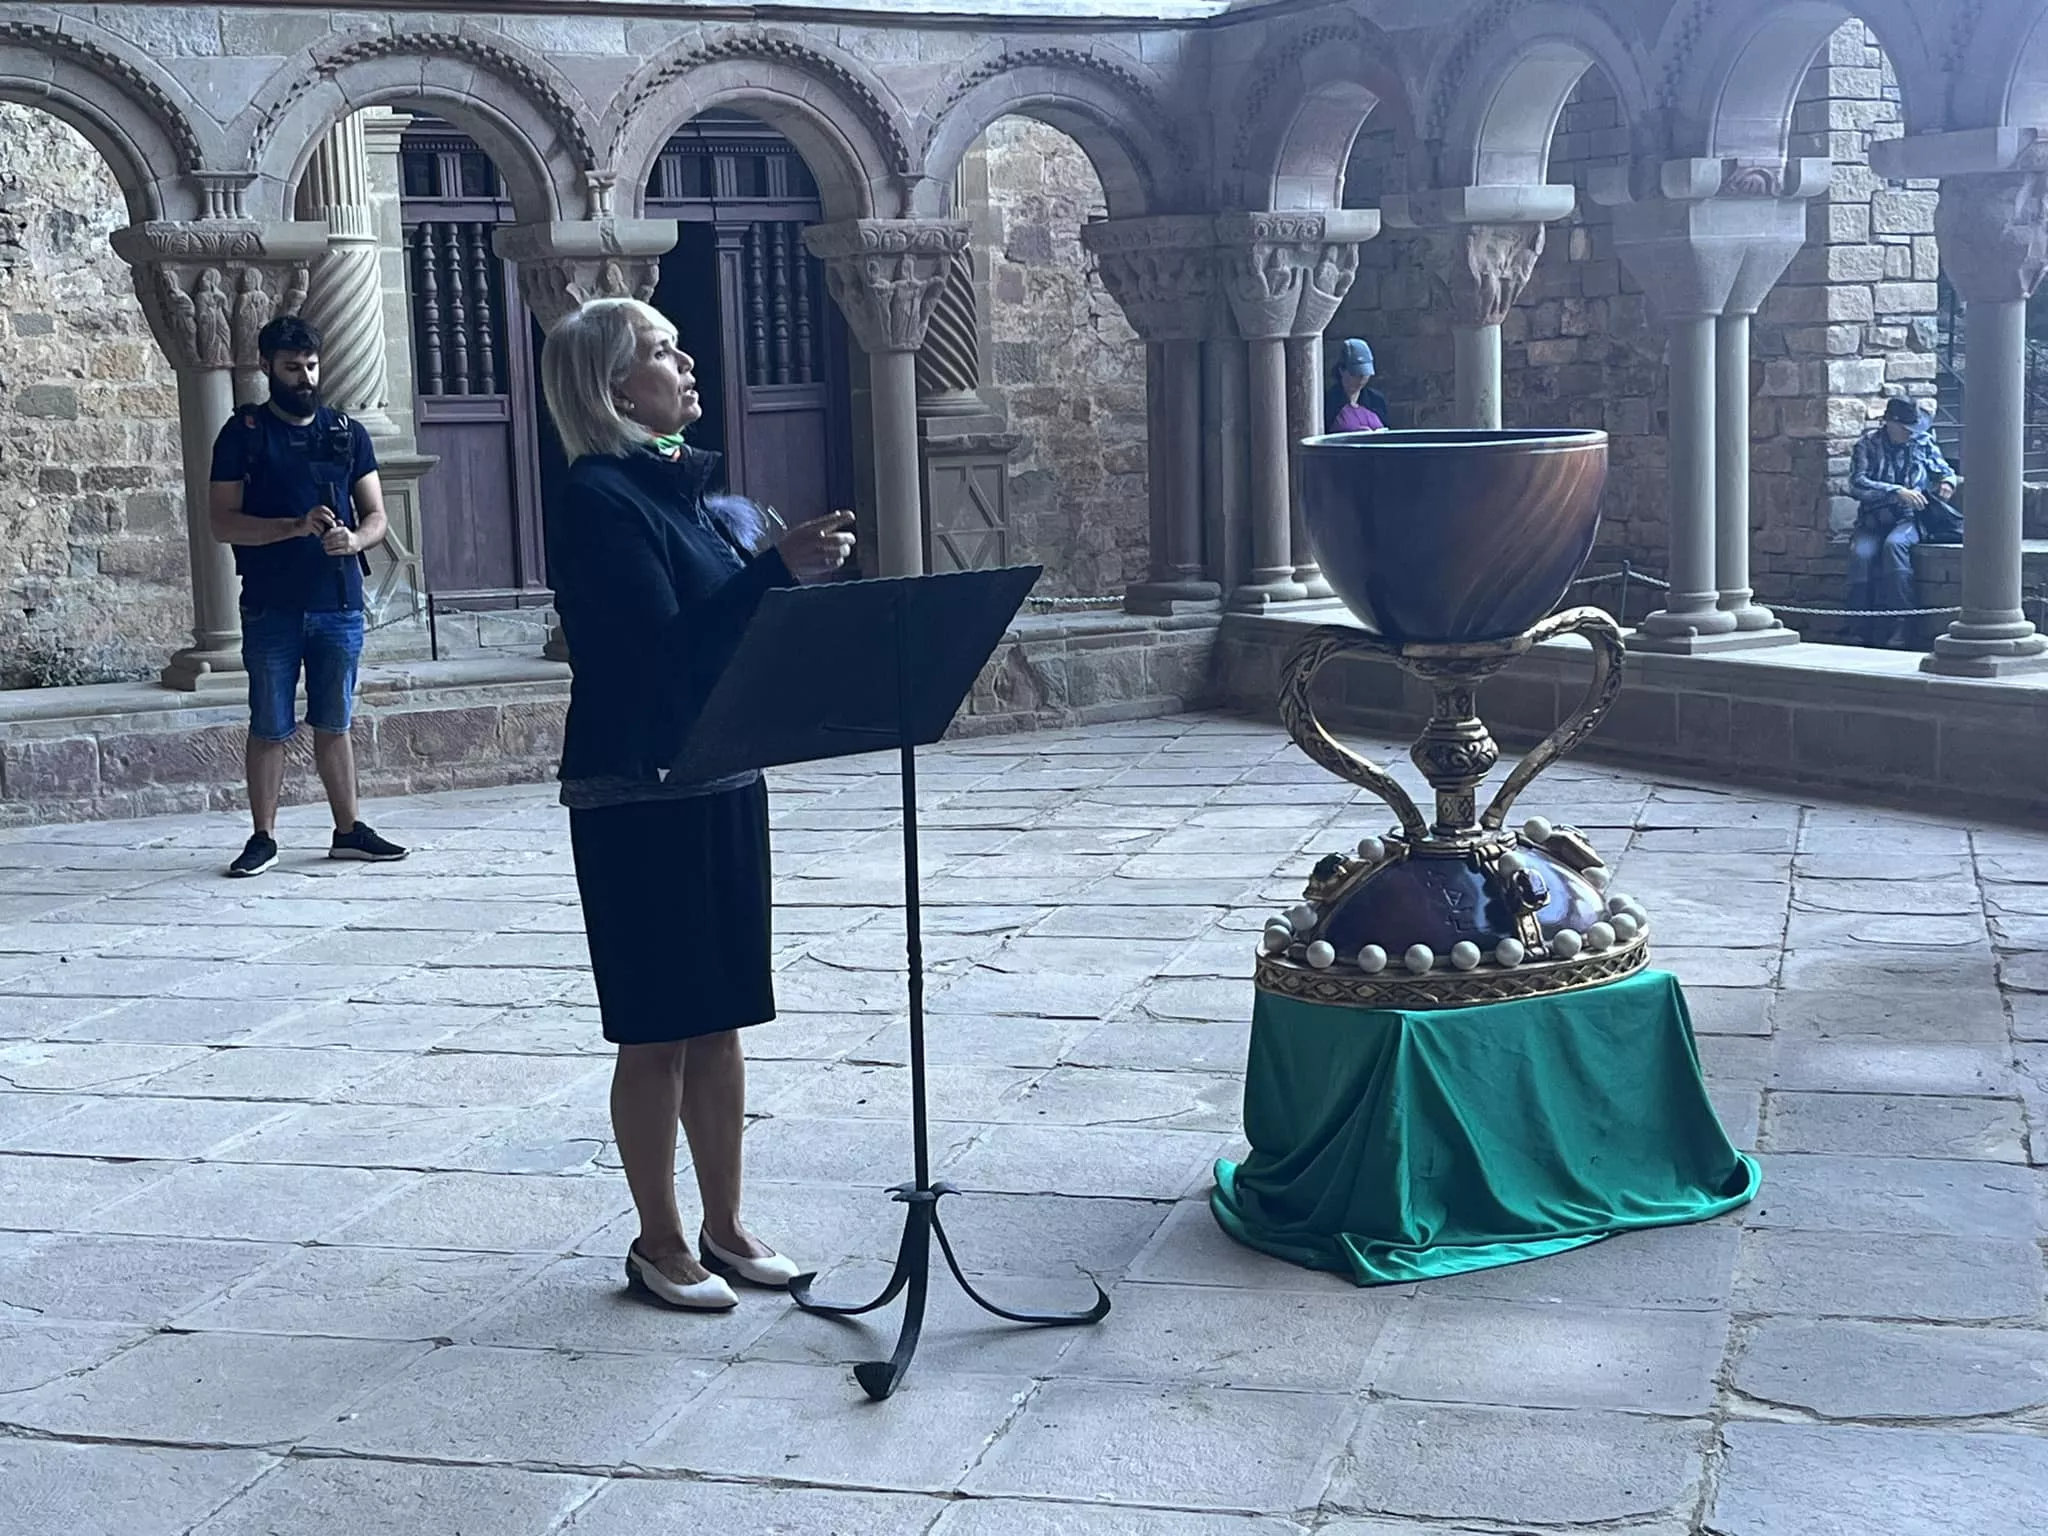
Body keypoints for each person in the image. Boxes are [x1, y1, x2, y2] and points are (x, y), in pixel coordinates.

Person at [540, 297, 856, 1312]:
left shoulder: (687, 494)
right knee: (658, 1028)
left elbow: (730, 631)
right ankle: (659, 1240)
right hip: (638, 790)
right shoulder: (597, 498)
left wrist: (787, 582)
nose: (685, 363)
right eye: (661, 351)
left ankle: (726, 1225)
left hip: (721, 771)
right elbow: (651, 651)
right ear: (613, 387)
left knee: (721, 1019)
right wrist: (771, 572)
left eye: (678, 346)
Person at [208, 315, 408, 877]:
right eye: (293, 367)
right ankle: (263, 837)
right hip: (271, 602)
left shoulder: (346, 432)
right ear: (267, 366)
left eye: (312, 366)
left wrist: (355, 540)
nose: (305, 377)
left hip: (338, 602)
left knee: (334, 721)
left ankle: (349, 830)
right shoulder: (243, 434)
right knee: (270, 722)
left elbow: (375, 515)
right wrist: (294, 527)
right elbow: (222, 522)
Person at [1846, 396, 1959, 648]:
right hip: (1872, 520)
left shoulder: (1922, 442)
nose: (1910, 433)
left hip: (1909, 519)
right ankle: (1857, 626)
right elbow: (1857, 483)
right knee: (1861, 555)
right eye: (1905, 428)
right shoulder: (1867, 445)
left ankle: (1902, 624)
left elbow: (1945, 470)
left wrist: (1947, 483)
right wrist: (1895, 491)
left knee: (1895, 546)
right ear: (1889, 423)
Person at [1325, 337, 1390, 433]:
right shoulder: (1328, 402)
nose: (1361, 379)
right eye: (1355, 374)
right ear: (1341, 370)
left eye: (1365, 374)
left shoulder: (1376, 400)